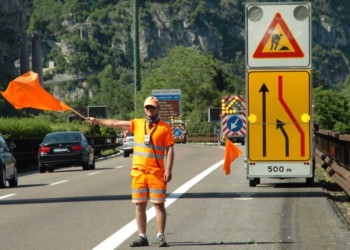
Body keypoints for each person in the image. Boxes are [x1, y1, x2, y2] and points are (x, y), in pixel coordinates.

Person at [86, 96, 175, 247]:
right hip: (139, 172)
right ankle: (142, 237)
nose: (149, 110)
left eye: (152, 107)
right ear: (144, 108)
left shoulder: (164, 127)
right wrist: (97, 121)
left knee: (158, 204)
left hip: (156, 172)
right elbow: (115, 123)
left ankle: (160, 236)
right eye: (147, 107)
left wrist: (168, 169)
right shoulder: (138, 123)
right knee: (139, 204)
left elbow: (170, 149)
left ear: (158, 109)